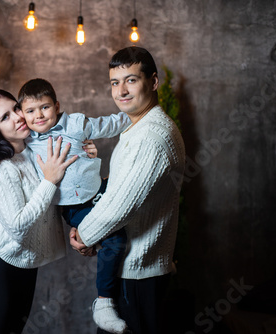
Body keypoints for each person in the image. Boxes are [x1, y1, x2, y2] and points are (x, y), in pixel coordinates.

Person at [69, 46, 186, 334]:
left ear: (153, 82)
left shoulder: (153, 135)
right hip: (129, 270)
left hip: (139, 275)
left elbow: (120, 206)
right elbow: (120, 188)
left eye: (131, 80)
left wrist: (85, 235)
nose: (121, 90)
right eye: (114, 82)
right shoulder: (137, 129)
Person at [0, 89, 95, 334]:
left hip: (23, 269)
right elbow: (19, 227)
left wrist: (86, 156)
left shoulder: (33, 153)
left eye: (16, 108)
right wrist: (49, 181)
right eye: (4, 117)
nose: (18, 117)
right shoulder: (1, 169)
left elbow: (57, 198)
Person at [18, 78, 131, 333]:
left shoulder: (77, 124)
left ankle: (156, 260)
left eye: (44, 107)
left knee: (131, 191)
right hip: (75, 207)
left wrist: (136, 114)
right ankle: (104, 303)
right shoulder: (27, 144)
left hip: (100, 188)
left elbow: (109, 124)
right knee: (115, 239)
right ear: (23, 115)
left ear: (56, 106)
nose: (39, 116)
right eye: (30, 111)